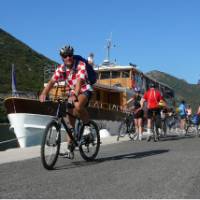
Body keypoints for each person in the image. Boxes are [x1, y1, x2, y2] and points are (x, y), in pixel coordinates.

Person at [39, 45, 93, 156]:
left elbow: (79, 82)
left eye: (70, 55)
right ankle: (70, 148)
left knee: (77, 106)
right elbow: (52, 82)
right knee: (69, 121)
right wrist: (44, 93)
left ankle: (87, 126)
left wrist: (75, 94)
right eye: (65, 56)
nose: (68, 57)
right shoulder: (61, 68)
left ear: (72, 55)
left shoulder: (80, 65)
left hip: (84, 90)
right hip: (72, 92)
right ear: (62, 57)